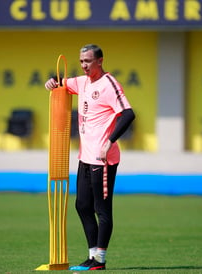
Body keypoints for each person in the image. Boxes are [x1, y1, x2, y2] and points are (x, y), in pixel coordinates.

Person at [45, 44, 135, 271]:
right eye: (81, 61)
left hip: (103, 158)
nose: (83, 65)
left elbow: (128, 114)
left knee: (102, 209)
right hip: (85, 157)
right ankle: (92, 256)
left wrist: (109, 141)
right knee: (82, 205)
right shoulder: (82, 82)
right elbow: (60, 82)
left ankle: (100, 260)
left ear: (100, 61)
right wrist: (51, 82)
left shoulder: (109, 84)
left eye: (88, 61)